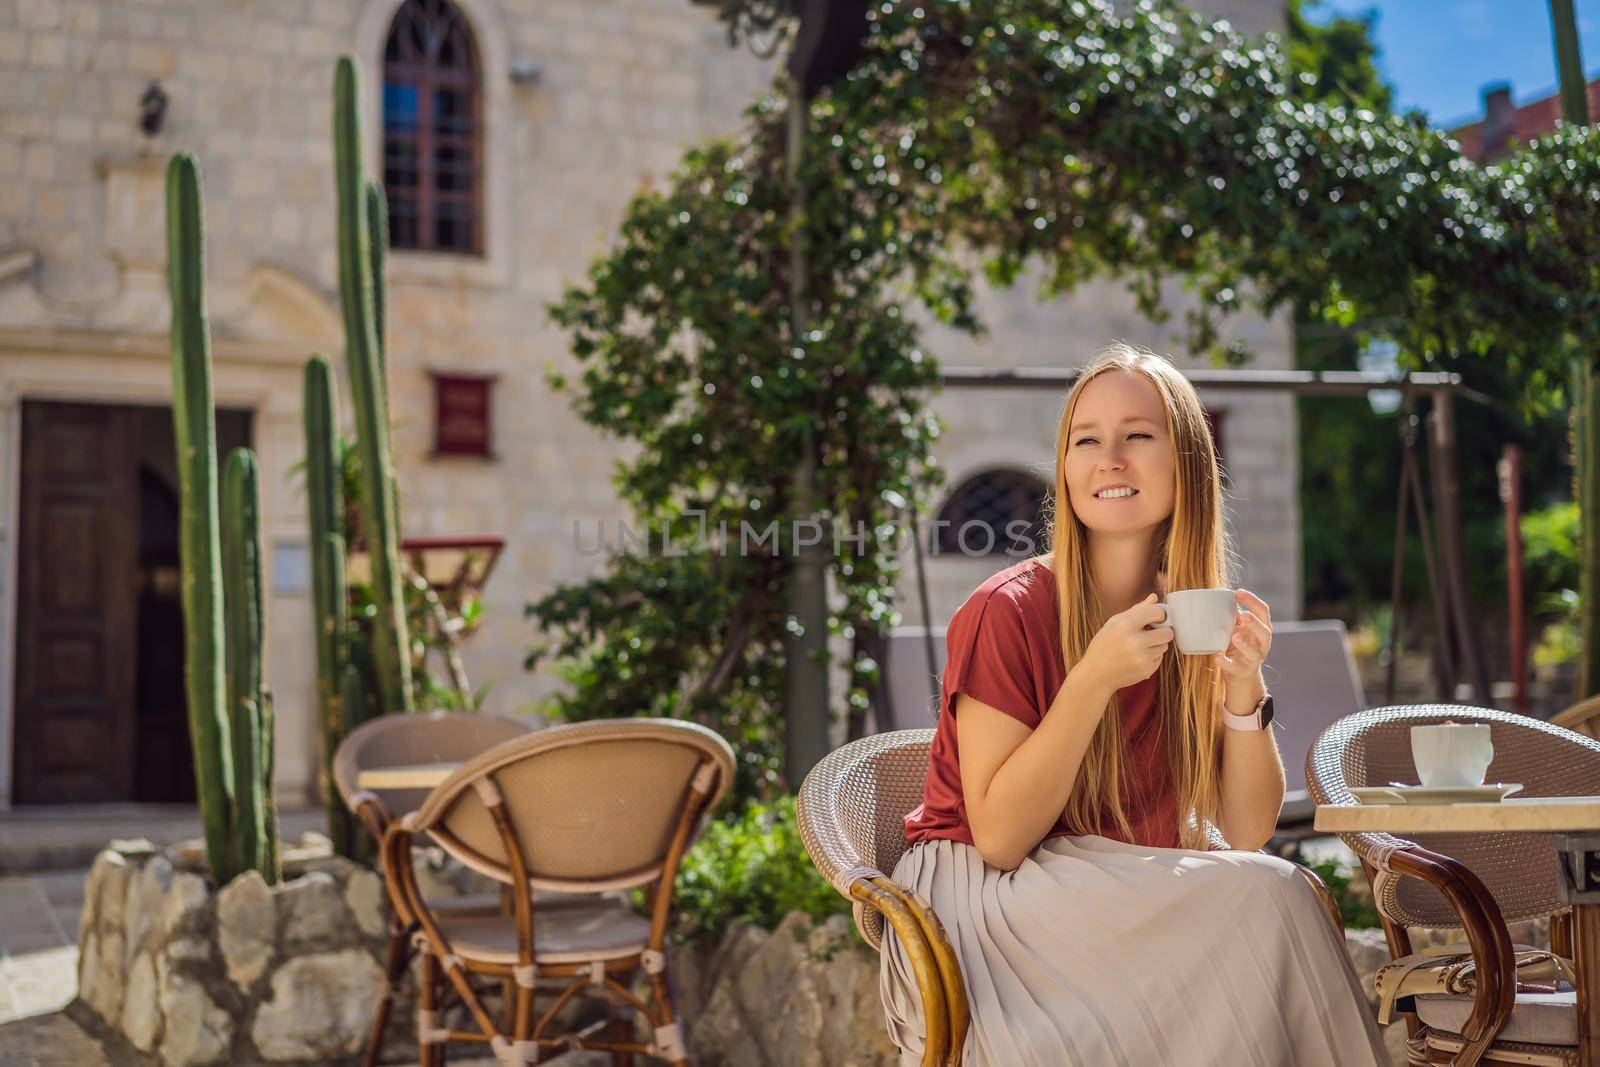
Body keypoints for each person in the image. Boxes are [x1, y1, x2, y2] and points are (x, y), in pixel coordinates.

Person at [880, 344, 1387, 1066]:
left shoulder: (1190, 617)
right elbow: (997, 836)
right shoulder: (1006, 610)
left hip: (1116, 877)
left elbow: (1244, 830)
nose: (1109, 457)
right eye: (1087, 439)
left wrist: (1243, 690)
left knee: (1277, 892)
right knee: (1272, 900)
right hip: (989, 895)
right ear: (1065, 467)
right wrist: (1093, 678)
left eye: (1138, 435)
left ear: (1185, 461)